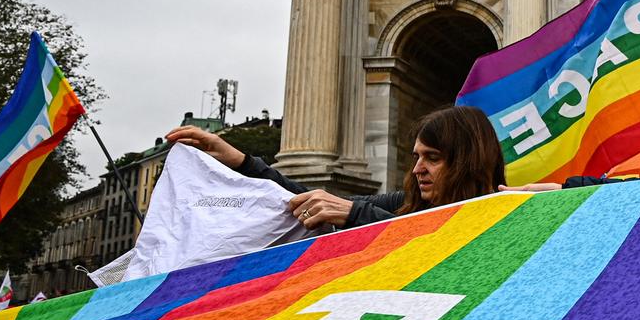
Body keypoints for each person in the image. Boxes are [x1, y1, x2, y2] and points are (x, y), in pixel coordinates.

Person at [166, 105, 503, 230]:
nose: (417, 169)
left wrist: (355, 213)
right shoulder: (407, 203)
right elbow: (312, 199)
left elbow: (433, 238)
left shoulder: (501, 214)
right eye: (417, 157)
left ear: (466, 161)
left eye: (432, 158)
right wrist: (242, 162)